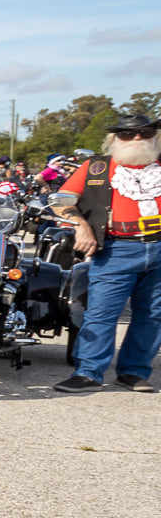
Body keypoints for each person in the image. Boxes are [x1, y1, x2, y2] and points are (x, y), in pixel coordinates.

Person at [51, 112, 161, 393]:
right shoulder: (96, 167)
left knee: (152, 315)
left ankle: (134, 372)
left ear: (154, 135)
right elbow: (61, 201)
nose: (137, 138)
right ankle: (89, 372)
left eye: (145, 132)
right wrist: (81, 226)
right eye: (127, 134)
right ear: (115, 138)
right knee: (101, 313)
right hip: (116, 248)